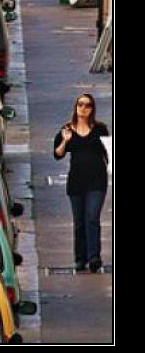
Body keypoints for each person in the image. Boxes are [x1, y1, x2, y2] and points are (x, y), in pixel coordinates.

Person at [53, 94, 109, 272]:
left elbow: (109, 152)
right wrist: (65, 140)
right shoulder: (67, 129)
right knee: (79, 222)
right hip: (76, 182)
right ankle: (80, 258)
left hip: (97, 181)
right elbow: (57, 154)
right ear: (75, 107)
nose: (83, 108)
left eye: (88, 105)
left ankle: (94, 257)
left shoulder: (100, 130)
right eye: (80, 104)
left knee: (92, 217)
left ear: (92, 109)